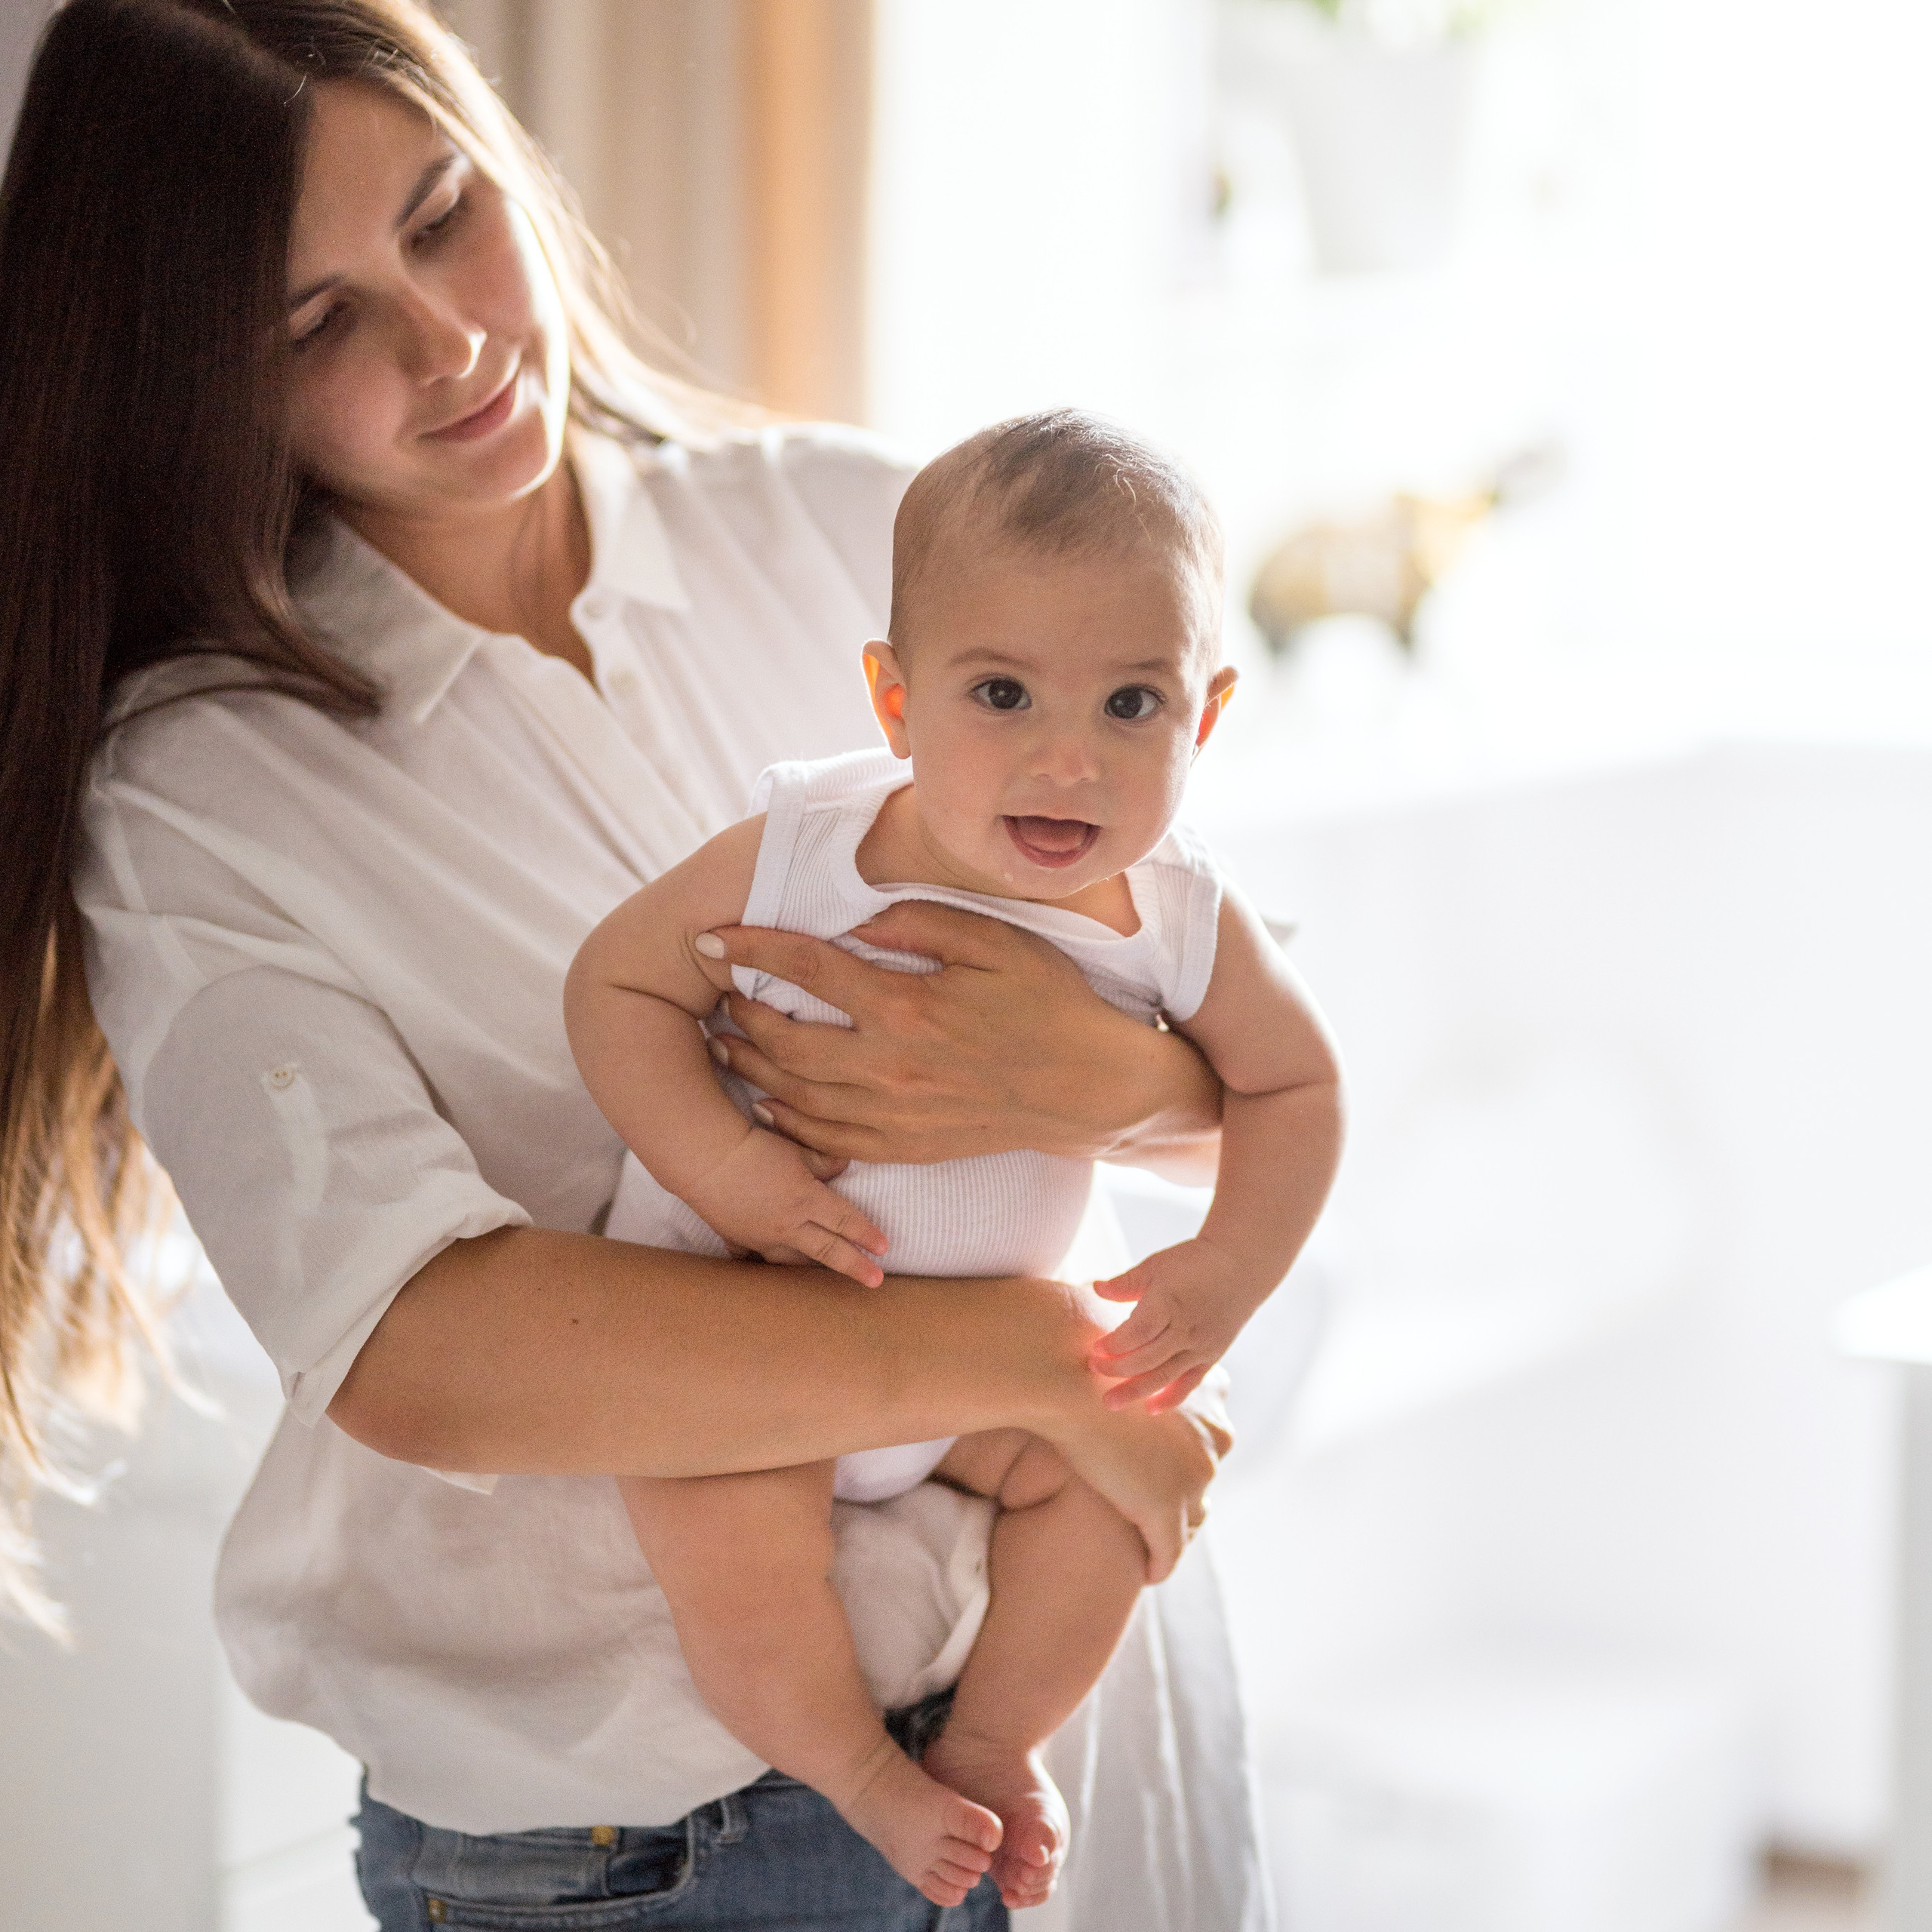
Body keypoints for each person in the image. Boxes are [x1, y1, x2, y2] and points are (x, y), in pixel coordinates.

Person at [0, 2, 1279, 1926]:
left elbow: (1255, 1060)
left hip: (1065, 1711)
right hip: (658, 1845)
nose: (446, 343)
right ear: (196, 383)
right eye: (318, 321)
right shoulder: (208, 787)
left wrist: (1087, 1075)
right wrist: (1028, 1354)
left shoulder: (854, 529)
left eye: (442, 219)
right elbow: (418, 1345)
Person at [567, 411, 1343, 1913]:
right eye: (1001, 694)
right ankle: (863, 1775)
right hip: (750, 1340)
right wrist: (726, 1170)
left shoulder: (1178, 911)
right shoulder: (803, 846)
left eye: (1132, 703)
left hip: (987, 1384)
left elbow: (1298, 1084)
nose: (1070, 757)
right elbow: (615, 986)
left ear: (1206, 715)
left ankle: (990, 1742)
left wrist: (1226, 1272)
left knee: (1109, 1490)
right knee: (733, 1548)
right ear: (895, 697)